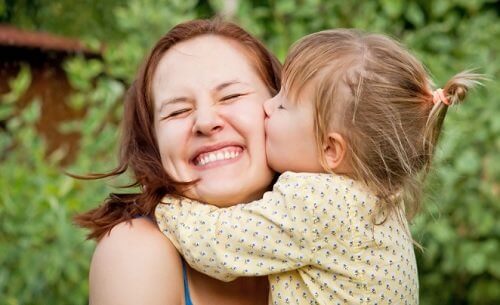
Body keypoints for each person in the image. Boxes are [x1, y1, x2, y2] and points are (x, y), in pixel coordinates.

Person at [156, 29, 482, 305]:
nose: (267, 107)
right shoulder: (377, 197)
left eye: (283, 104)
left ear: (330, 149)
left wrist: (166, 203)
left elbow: (216, 245)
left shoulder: (316, 201)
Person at [75, 19, 282, 305]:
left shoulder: (344, 220)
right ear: (152, 143)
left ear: (282, 107)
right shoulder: (134, 251)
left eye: (231, 96)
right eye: (177, 112)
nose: (206, 122)